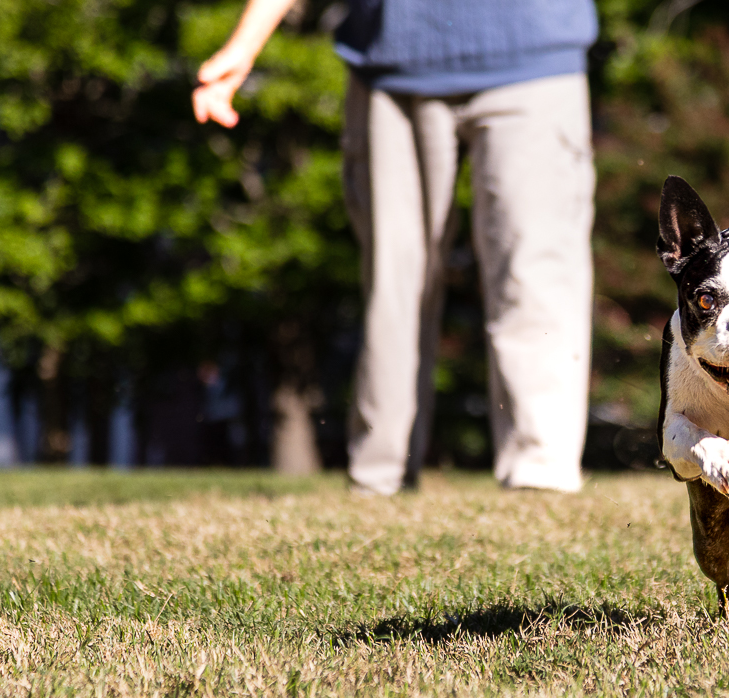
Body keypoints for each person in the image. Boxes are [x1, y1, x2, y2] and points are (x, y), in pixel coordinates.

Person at [194, 0, 598, 494]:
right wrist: (244, 44)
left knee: (536, 277)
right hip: (393, 61)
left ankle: (542, 475)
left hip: (536, 55)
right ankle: (380, 477)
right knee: (394, 283)